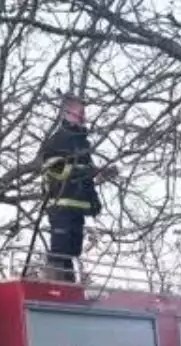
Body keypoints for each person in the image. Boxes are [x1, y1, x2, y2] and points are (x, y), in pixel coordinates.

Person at [39, 94, 114, 282]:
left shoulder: (81, 142)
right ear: (67, 113)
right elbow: (54, 169)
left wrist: (98, 176)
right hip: (62, 205)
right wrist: (82, 172)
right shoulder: (57, 141)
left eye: (84, 113)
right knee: (60, 252)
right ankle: (55, 289)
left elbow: (85, 176)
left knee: (73, 253)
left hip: (77, 208)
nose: (84, 117)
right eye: (80, 113)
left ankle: (68, 288)